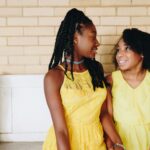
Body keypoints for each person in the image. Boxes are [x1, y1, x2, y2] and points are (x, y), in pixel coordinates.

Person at [43, 8, 124, 150]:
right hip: (67, 144)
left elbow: (103, 113)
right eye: (93, 37)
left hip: (95, 141)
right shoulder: (54, 77)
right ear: (75, 38)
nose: (98, 43)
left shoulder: (96, 69)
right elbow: (60, 130)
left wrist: (117, 142)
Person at [106, 28, 150, 150]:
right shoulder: (111, 81)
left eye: (127, 48)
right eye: (118, 50)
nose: (119, 54)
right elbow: (107, 117)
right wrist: (111, 144)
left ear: (142, 53)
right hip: (120, 143)